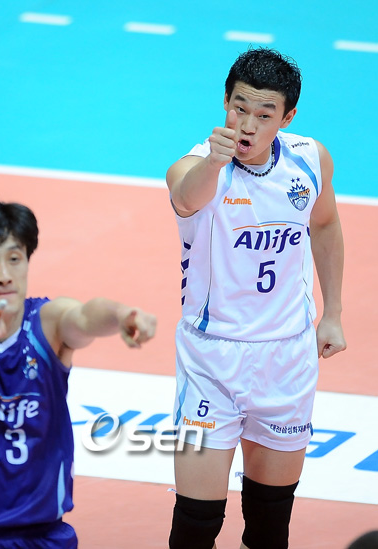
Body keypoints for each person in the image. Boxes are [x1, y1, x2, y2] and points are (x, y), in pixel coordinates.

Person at [166, 47, 346, 549]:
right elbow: (185, 197)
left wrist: (333, 312)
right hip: (210, 361)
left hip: (287, 358)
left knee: (270, 526)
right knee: (196, 523)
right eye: (238, 107)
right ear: (224, 101)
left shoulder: (310, 160)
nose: (246, 124)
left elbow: (325, 225)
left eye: (264, 115)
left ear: (286, 118)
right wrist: (215, 161)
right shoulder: (195, 166)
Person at [0, 199, 157, 548]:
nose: (4, 274)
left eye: (15, 258)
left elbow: (85, 316)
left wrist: (122, 316)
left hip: (42, 537)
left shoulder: (48, 324)